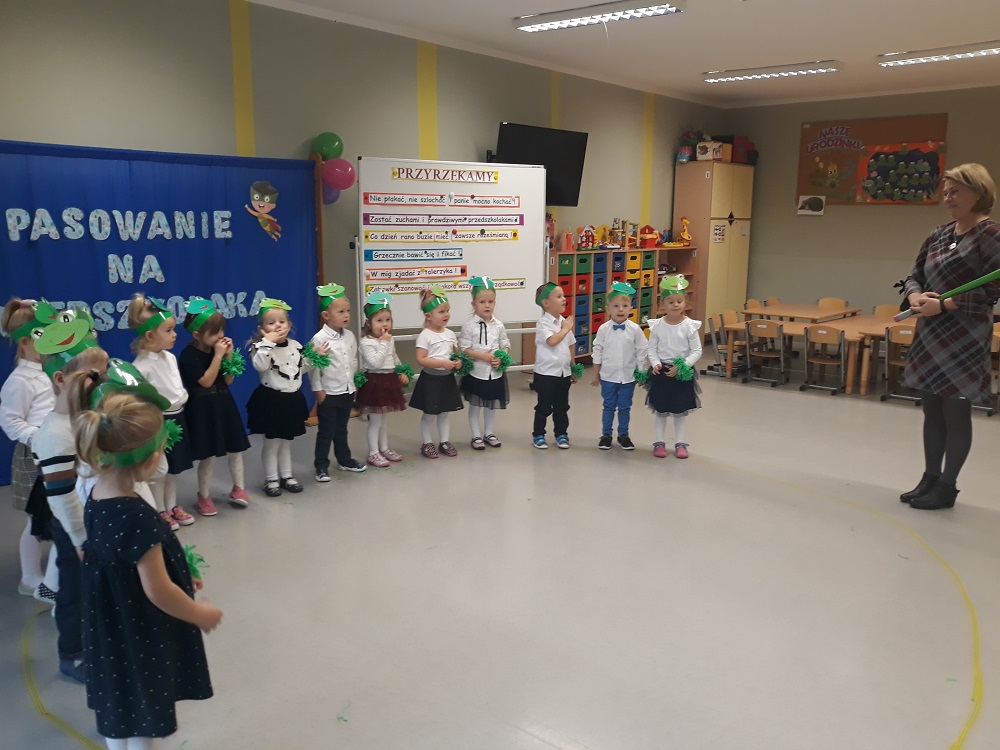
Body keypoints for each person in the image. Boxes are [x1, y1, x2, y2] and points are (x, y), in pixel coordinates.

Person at [76, 392, 221, 750]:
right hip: (139, 626)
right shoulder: (137, 515)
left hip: (111, 622)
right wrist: (199, 614)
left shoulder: (97, 495)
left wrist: (181, 571)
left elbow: (101, 556)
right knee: (143, 705)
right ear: (151, 458)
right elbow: (158, 590)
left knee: (120, 699)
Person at [900, 163, 1000, 510]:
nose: (948, 198)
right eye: (946, 192)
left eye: (955, 191)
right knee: (931, 409)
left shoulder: (991, 235)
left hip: (964, 336)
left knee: (955, 411)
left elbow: (992, 291)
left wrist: (945, 304)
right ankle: (929, 477)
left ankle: (947, 486)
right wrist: (915, 296)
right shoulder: (938, 234)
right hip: (931, 332)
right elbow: (914, 275)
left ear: (978, 192)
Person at [30, 306, 109, 683]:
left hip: (91, 517)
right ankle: (72, 654)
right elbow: (62, 497)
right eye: (93, 376)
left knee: (92, 588)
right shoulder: (54, 434)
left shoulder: (81, 420)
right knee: (74, 590)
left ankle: (94, 642)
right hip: (71, 525)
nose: (102, 383)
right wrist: (80, 539)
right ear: (61, 379)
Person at [1, 298, 57, 602]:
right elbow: (10, 421)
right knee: (35, 520)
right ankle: (30, 577)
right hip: (35, 459)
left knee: (57, 512)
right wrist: (39, 437)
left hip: (58, 453)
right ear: (25, 342)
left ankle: (58, 570)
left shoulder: (49, 370)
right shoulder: (20, 380)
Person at [177, 297, 252, 513]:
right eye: (214, 333)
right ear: (197, 335)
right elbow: (206, 381)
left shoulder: (216, 351)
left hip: (224, 403)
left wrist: (228, 357)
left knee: (235, 449)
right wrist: (218, 356)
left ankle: (239, 488)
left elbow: (228, 380)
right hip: (203, 409)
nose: (220, 336)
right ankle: (204, 496)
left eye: (221, 330)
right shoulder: (188, 356)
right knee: (208, 456)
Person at [128, 294, 196, 528]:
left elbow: (176, 386)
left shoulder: (170, 357)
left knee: (174, 469)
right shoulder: (141, 367)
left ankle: (172, 505)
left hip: (177, 418)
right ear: (149, 336)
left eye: (173, 329)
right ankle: (159, 511)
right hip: (158, 424)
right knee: (159, 470)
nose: (174, 334)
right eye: (168, 330)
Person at [245, 297, 319, 495]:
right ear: (262, 329)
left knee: (285, 442)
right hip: (271, 401)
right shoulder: (259, 348)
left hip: (291, 400)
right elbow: (260, 366)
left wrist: (315, 358)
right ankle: (271, 479)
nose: (277, 326)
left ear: (289, 325)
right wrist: (268, 343)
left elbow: (299, 369)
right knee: (271, 443)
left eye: (281, 321)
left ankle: (286, 476)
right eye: (271, 323)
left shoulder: (295, 346)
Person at [310, 283, 366, 479]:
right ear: (326, 315)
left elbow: (352, 361)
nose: (346, 315)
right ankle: (321, 465)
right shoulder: (319, 339)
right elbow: (314, 367)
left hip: (347, 390)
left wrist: (354, 384)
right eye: (341, 311)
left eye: (348, 311)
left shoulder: (349, 336)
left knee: (342, 429)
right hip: (329, 392)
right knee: (326, 431)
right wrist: (318, 390)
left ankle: (344, 460)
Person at [646, 275, 702, 459]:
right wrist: (655, 363)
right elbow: (651, 349)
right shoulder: (657, 326)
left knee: (679, 411)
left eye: (679, 301)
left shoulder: (689, 326)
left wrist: (683, 366)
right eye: (670, 301)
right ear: (662, 304)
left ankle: (680, 442)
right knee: (661, 410)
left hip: (681, 373)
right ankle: (659, 442)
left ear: (685, 302)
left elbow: (696, 350)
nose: (675, 305)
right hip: (661, 372)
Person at [590, 282, 648, 450]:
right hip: (608, 376)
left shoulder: (635, 329)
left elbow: (641, 351)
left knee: (624, 407)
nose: (620, 309)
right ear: (608, 308)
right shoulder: (603, 329)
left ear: (631, 308)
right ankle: (606, 435)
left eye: (624, 306)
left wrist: (641, 372)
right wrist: (596, 374)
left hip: (628, 377)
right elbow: (597, 352)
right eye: (616, 306)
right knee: (608, 406)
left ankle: (624, 435)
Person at [355, 291, 409, 467]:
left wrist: (401, 371)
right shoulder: (366, 342)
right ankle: (373, 453)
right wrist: (384, 342)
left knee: (383, 419)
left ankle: (384, 448)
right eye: (379, 320)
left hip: (388, 381)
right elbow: (375, 362)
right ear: (368, 323)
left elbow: (394, 357)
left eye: (388, 320)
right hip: (375, 382)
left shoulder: (389, 339)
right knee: (375, 420)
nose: (385, 324)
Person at [410, 287, 464, 458]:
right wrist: (441, 363)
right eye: (441, 312)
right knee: (430, 413)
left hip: (447, 379)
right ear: (428, 316)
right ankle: (427, 442)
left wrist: (458, 361)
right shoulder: (425, 335)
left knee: (444, 413)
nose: (446, 315)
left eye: (447, 311)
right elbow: (421, 359)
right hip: (431, 379)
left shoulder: (450, 334)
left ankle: (444, 441)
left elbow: (456, 353)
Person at [458, 276, 510, 450]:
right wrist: (481, 356)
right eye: (482, 302)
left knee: (491, 405)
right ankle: (475, 435)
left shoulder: (499, 325)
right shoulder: (469, 326)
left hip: (494, 373)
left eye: (490, 302)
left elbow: (506, 344)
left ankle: (489, 433)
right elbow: (464, 349)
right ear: (473, 304)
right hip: (476, 372)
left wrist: (501, 357)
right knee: (475, 405)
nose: (487, 305)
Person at [532, 282, 577, 449]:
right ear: (546, 303)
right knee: (543, 407)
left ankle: (561, 434)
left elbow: (570, 345)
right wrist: (565, 329)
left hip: (563, 373)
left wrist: (573, 367)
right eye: (559, 296)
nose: (564, 299)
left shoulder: (564, 322)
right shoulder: (543, 323)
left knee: (562, 407)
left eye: (563, 295)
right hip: (546, 374)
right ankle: (538, 434)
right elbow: (552, 341)